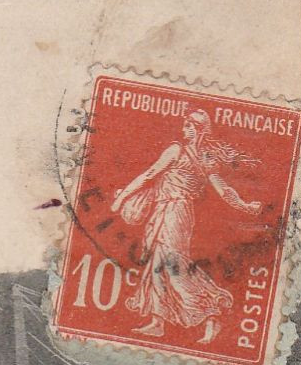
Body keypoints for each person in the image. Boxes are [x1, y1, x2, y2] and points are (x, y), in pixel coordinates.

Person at [113, 109, 263, 345]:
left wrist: (121, 198)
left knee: (174, 266)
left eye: (188, 126)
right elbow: (224, 191)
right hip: (172, 212)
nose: (184, 130)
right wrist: (245, 206)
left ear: (198, 129)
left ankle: (212, 313)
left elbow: (149, 174)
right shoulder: (205, 158)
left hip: (174, 213)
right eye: (184, 126)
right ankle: (157, 322)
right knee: (156, 265)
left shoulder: (179, 151)